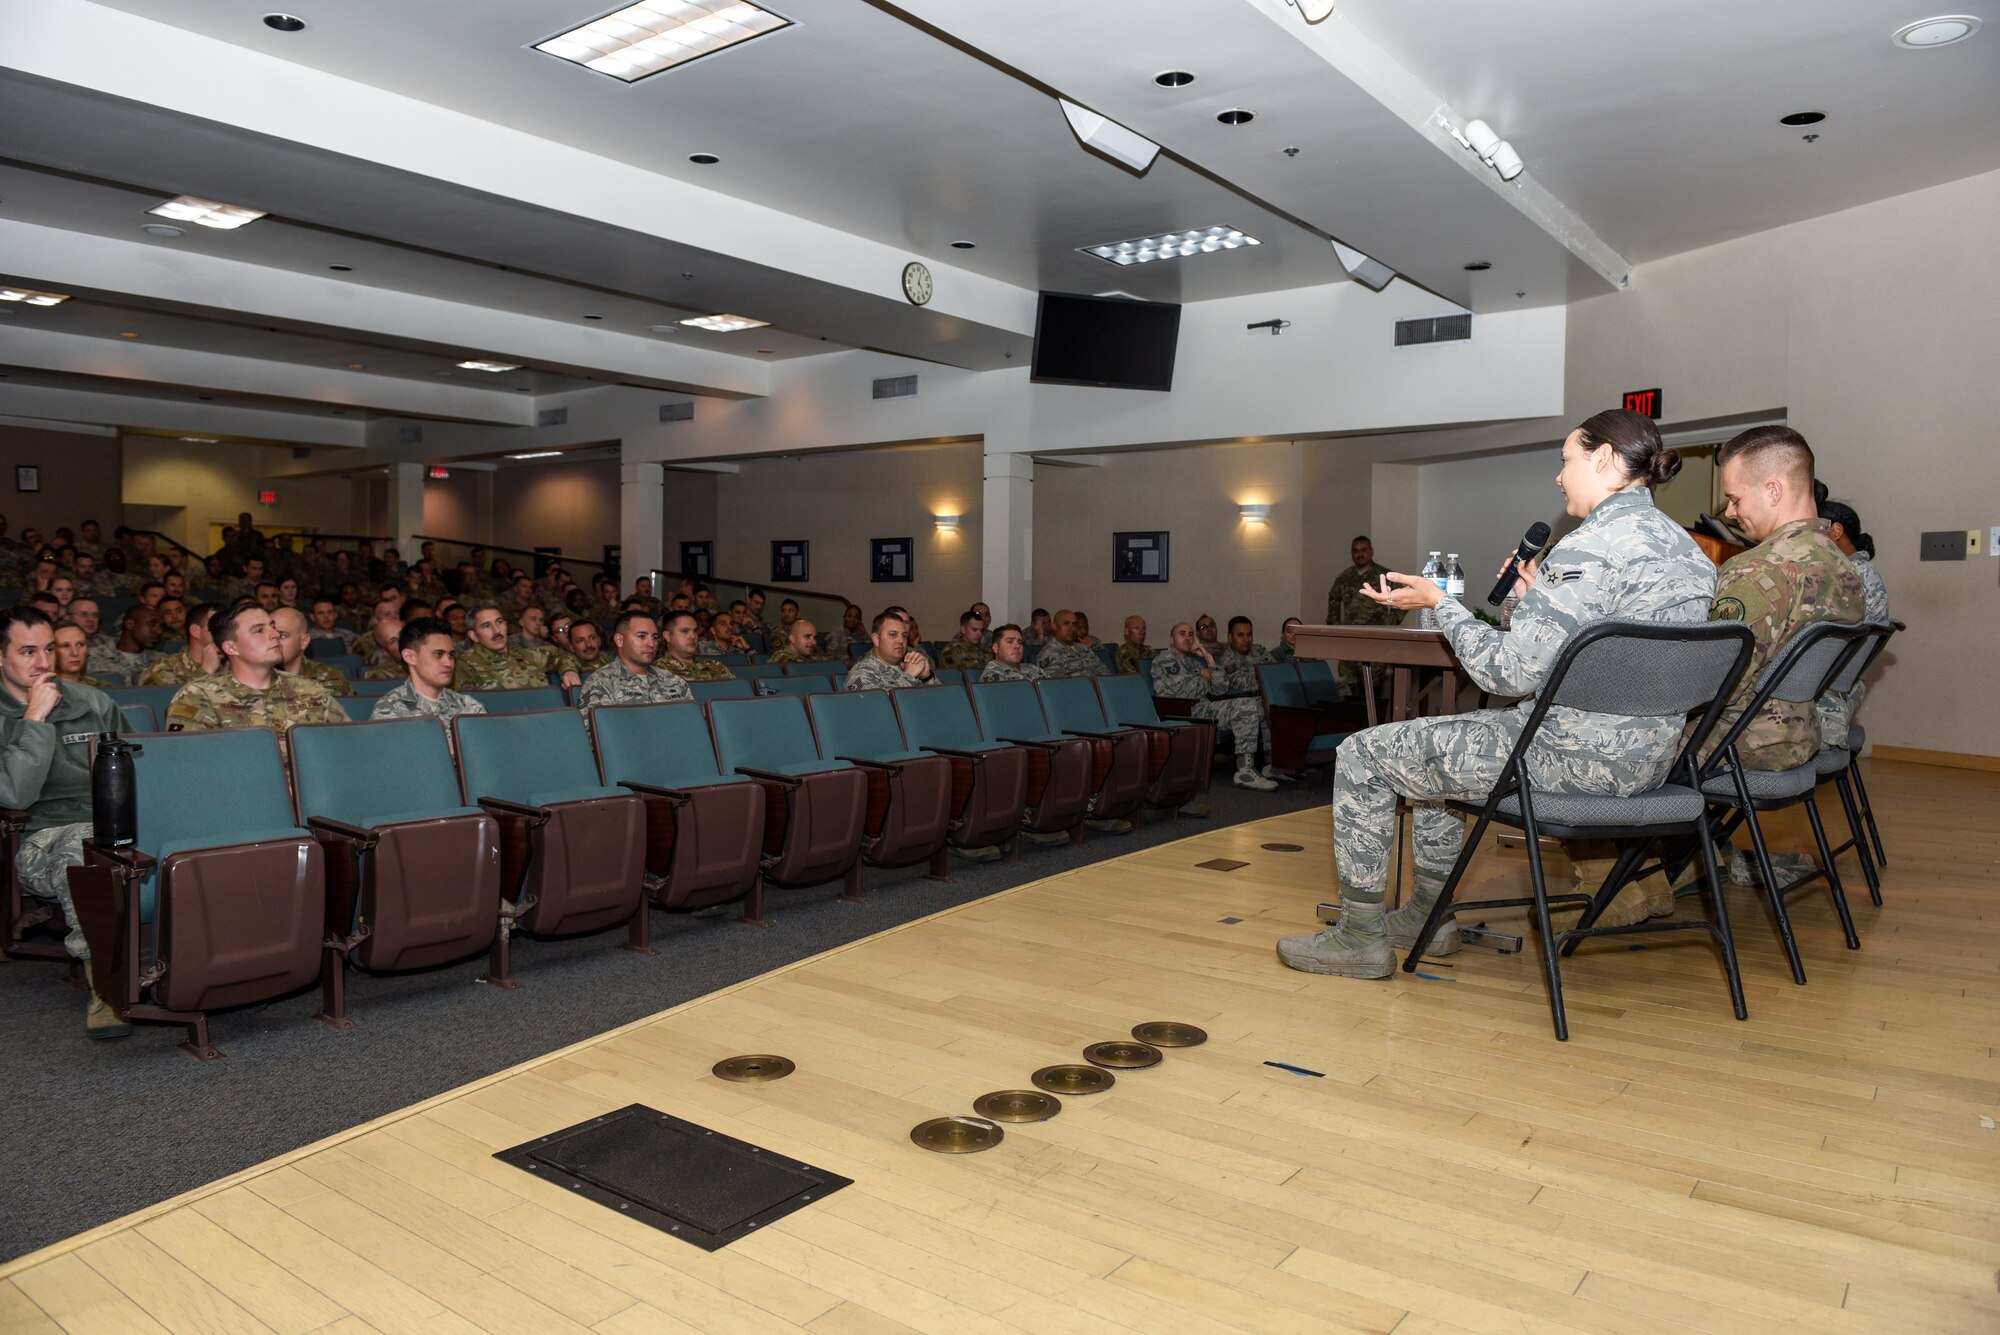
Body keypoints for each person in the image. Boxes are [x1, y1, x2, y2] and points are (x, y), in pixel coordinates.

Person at [1276, 409, 1715, 978]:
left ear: (1603, 459)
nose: (1559, 477)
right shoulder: (1688, 553)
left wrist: (1442, 605)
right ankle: (1428, 919)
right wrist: (1535, 596)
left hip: (1572, 756)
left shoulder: (1591, 547)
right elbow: (1606, 648)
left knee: (1363, 754)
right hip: (1653, 761)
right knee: (1430, 756)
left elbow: (1509, 674)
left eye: (1567, 461)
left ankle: (1360, 936)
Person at [1699, 429, 1866, 890]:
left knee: (1622, 734)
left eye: (1734, 498)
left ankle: (1625, 886)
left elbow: (1715, 680)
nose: (1729, 513)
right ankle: (1693, 857)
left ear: (1773, 489)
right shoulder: (1844, 569)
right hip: (1800, 735)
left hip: (1743, 744)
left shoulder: (1758, 568)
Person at [0, 607, 130, 1036]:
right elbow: (15, 794)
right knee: (83, 849)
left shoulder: (92, 702)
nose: (43, 662)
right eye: (28, 651)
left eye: (49, 649)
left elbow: (143, 765)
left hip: (115, 825)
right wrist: (33, 719)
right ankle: (108, 990)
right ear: (0, 657)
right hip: (38, 839)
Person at [164, 603, 347, 760]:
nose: (274, 634)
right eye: (259, 630)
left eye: (272, 626)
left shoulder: (309, 689)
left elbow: (347, 744)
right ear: (231, 647)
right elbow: (190, 764)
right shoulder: (198, 696)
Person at [1153, 621, 1277, 791]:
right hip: (1183, 712)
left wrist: (1208, 658)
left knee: (1259, 703)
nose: (1188, 637)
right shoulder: (1165, 660)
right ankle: (1245, 770)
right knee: (1245, 706)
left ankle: (1271, 763)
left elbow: (1221, 688)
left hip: (1203, 708)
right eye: (1182, 634)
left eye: (1191, 634)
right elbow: (1186, 693)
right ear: (1171, 640)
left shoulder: (1194, 663)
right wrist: (1204, 679)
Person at [1813, 497, 1888, 750]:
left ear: (1836, 531)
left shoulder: (1848, 578)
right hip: (1841, 691)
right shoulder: (1862, 570)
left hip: (1827, 702)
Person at [367, 616, 487, 731]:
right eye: (438, 654)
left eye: (451, 654)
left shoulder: (468, 707)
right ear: (410, 657)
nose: (448, 663)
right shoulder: (389, 710)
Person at [577, 611, 696, 708]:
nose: (651, 644)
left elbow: (692, 725)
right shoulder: (601, 683)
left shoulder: (673, 680)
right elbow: (600, 734)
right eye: (641, 636)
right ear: (619, 640)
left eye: (654, 637)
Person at [454, 603, 578, 690]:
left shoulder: (526, 656)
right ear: (474, 635)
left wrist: (569, 670)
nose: (496, 630)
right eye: (487, 626)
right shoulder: (467, 664)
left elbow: (561, 655)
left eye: (499, 622)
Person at [272, 607, 354, 695]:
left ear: (304, 641)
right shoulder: (259, 678)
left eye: (282, 636)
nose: (273, 642)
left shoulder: (330, 677)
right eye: (270, 635)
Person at [845, 612, 935, 690]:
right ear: (876, 639)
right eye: (893, 634)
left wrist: (927, 677)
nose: (901, 640)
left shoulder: (909, 665)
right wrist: (908, 677)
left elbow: (939, 703)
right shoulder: (862, 672)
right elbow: (877, 705)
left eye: (904, 636)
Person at [142, 603, 224, 685]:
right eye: (219, 626)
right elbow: (164, 697)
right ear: (196, 631)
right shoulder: (163, 669)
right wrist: (205, 672)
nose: (226, 633)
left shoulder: (232, 664)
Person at [86, 604, 165, 685]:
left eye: (161, 626)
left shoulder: (162, 661)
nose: (159, 631)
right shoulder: (94, 657)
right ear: (129, 624)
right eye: (152, 623)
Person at [657, 610, 735, 681]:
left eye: (695, 631)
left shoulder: (715, 666)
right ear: (667, 636)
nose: (693, 636)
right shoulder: (657, 671)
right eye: (685, 631)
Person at [1214, 616, 1276, 696]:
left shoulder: (1259, 650)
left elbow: (1276, 670)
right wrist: (1272, 679)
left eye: (1249, 634)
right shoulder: (1227, 661)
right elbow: (1247, 684)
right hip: (1251, 701)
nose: (1246, 639)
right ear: (1230, 637)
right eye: (1240, 635)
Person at [1035, 610, 1101, 678]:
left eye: (1074, 624)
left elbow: (1104, 672)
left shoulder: (1085, 648)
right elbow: (1057, 684)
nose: (1071, 628)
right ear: (1054, 626)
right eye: (1066, 623)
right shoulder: (1048, 653)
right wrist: (1090, 678)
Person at [51, 622, 112, 688]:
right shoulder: (41, 690)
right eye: (65, 646)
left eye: (80, 644)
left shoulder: (101, 688)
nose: (75, 653)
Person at [768, 619, 836, 665]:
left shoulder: (812, 656)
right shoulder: (782, 659)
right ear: (792, 638)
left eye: (814, 638)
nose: (813, 642)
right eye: (807, 636)